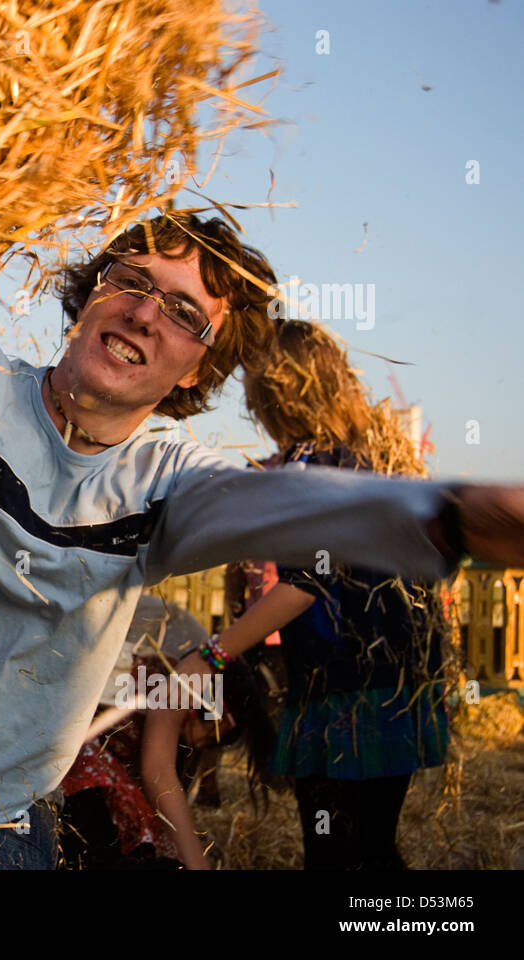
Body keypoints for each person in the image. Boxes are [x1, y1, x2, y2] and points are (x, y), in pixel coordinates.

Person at [0, 210, 524, 870]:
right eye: (131, 281)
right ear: (88, 297)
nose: (147, 313)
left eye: (185, 314)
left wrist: (453, 513)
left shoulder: (168, 480)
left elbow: (285, 503)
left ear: (196, 370)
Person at [160, 320, 451, 869]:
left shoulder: (309, 471)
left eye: (254, 395)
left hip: (342, 699)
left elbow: (303, 586)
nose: (253, 410)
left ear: (278, 395)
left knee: (333, 853)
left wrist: (210, 653)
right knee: (373, 846)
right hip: (398, 693)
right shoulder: (372, 462)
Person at [59, 596, 272, 870]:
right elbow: (157, 772)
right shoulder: (182, 683)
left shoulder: (185, 666)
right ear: (205, 707)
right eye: (209, 733)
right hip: (70, 760)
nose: (203, 743)